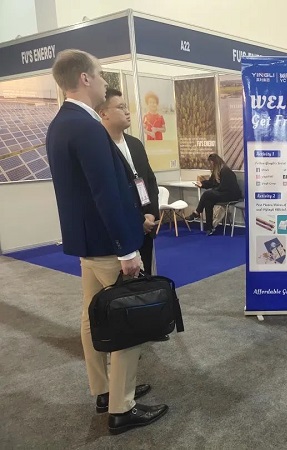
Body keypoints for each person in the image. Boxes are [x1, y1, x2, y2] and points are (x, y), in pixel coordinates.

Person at [46, 49, 168, 435]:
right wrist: (127, 249)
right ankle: (122, 407)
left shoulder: (60, 124)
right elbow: (105, 193)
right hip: (109, 245)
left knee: (91, 316)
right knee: (126, 319)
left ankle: (103, 390)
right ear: (85, 78)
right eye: (100, 75)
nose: (103, 82)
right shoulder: (87, 128)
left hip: (88, 243)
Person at [97, 88, 159, 276]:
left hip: (146, 226)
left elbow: (149, 181)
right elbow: (109, 195)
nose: (127, 112)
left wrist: (151, 214)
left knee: (147, 278)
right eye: (120, 107)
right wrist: (138, 220)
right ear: (104, 114)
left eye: (126, 107)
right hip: (121, 233)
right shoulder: (99, 147)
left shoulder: (135, 144)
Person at [186, 153, 241, 236]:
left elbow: (225, 187)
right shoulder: (217, 171)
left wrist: (213, 191)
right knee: (208, 201)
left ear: (215, 162)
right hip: (223, 193)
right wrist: (202, 184)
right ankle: (209, 228)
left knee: (208, 194)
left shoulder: (226, 171)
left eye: (211, 163)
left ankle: (197, 212)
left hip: (231, 195)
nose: (210, 165)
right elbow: (211, 182)